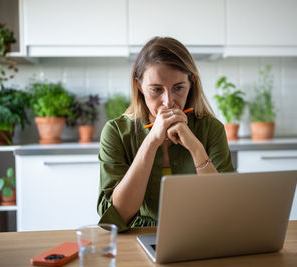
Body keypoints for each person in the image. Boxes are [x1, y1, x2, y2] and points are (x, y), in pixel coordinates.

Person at [97, 36, 233, 232]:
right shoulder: (116, 132)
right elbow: (116, 218)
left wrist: (196, 148)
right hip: (138, 236)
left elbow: (225, 208)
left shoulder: (212, 129)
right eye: (156, 90)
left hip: (200, 232)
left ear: (191, 83)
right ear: (139, 86)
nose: (168, 102)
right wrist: (152, 140)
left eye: (178, 88)